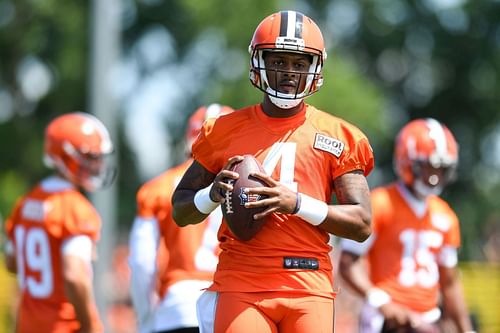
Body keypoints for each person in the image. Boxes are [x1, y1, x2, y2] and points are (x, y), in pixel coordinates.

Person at [172, 10, 374, 333]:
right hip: (243, 278)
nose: (289, 72)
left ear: (314, 68)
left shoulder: (339, 136)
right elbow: (180, 210)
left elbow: (362, 223)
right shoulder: (223, 130)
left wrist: (294, 202)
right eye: (278, 61)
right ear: (260, 63)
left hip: (308, 280)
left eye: (299, 63)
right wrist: (211, 196)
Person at [338, 118, 475, 333]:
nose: (435, 176)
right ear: (408, 162)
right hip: (385, 319)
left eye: (441, 169)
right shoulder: (381, 203)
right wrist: (381, 301)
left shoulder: (446, 215)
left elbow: (450, 284)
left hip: (429, 319)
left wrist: (466, 330)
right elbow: (348, 263)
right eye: (429, 167)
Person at [3, 112, 116, 333]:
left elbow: (11, 261)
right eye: (90, 157)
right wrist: (89, 326)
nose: (97, 165)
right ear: (66, 156)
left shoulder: (25, 203)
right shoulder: (75, 207)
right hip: (63, 327)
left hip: (27, 325)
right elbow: (74, 276)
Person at [128, 104, 234, 333]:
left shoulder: (158, 188)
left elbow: (142, 263)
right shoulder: (248, 187)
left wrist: (146, 318)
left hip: (177, 306)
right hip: (231, 305)